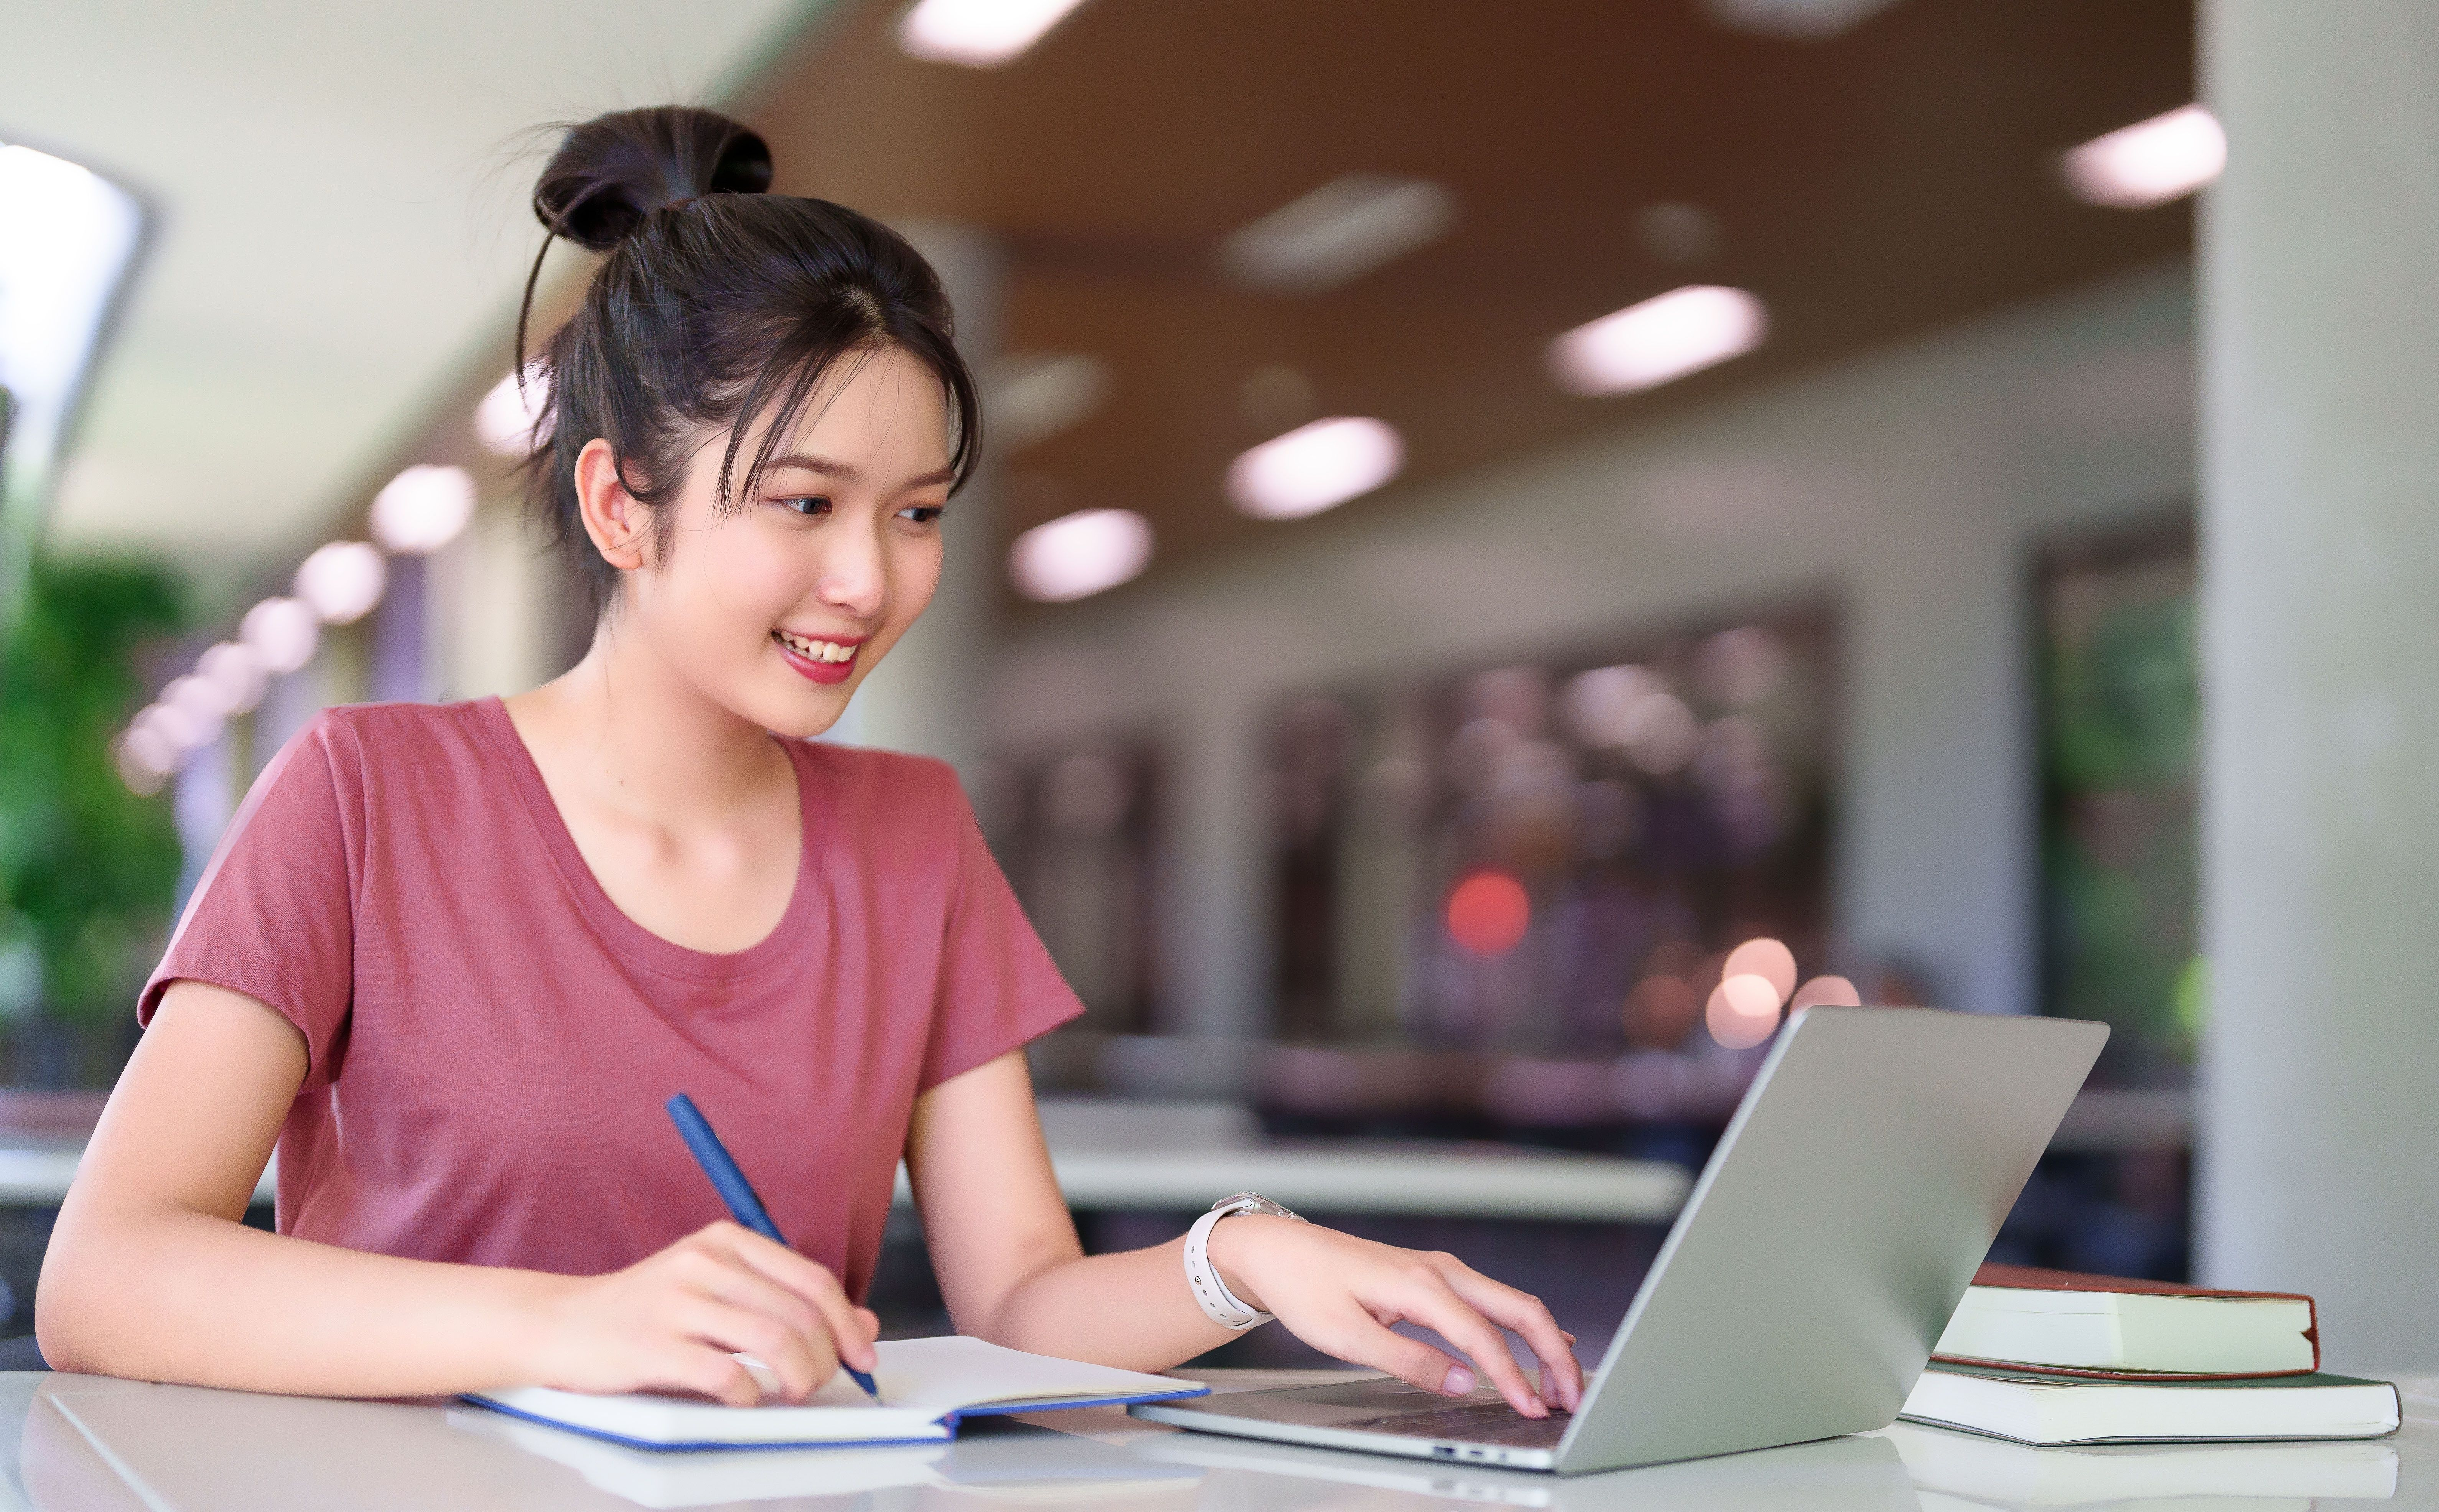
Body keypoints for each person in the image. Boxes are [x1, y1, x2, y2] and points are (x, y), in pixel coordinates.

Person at [33, 107, 1581, 1420]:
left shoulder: (909, 835)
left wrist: (1240, 1254)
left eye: (916, 513)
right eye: (805, 504)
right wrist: (567, 1327)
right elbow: (104, 1275)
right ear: (623, 507)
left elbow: (1020, 1300)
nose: (873, 581)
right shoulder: (365, 792)